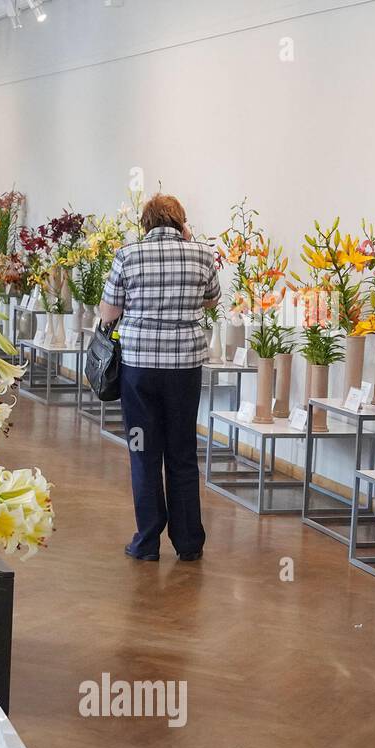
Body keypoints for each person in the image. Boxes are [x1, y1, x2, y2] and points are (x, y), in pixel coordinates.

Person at [99, 193, 219, 563]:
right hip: (184, 369)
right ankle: (189, 543)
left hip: (140, 371)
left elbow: (108, 312)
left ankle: (147, 541)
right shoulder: (202, 254)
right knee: (182, 452)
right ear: (181, 223)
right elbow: (211, 300)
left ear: (145, 223)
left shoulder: (128, 255)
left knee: (143, 451)